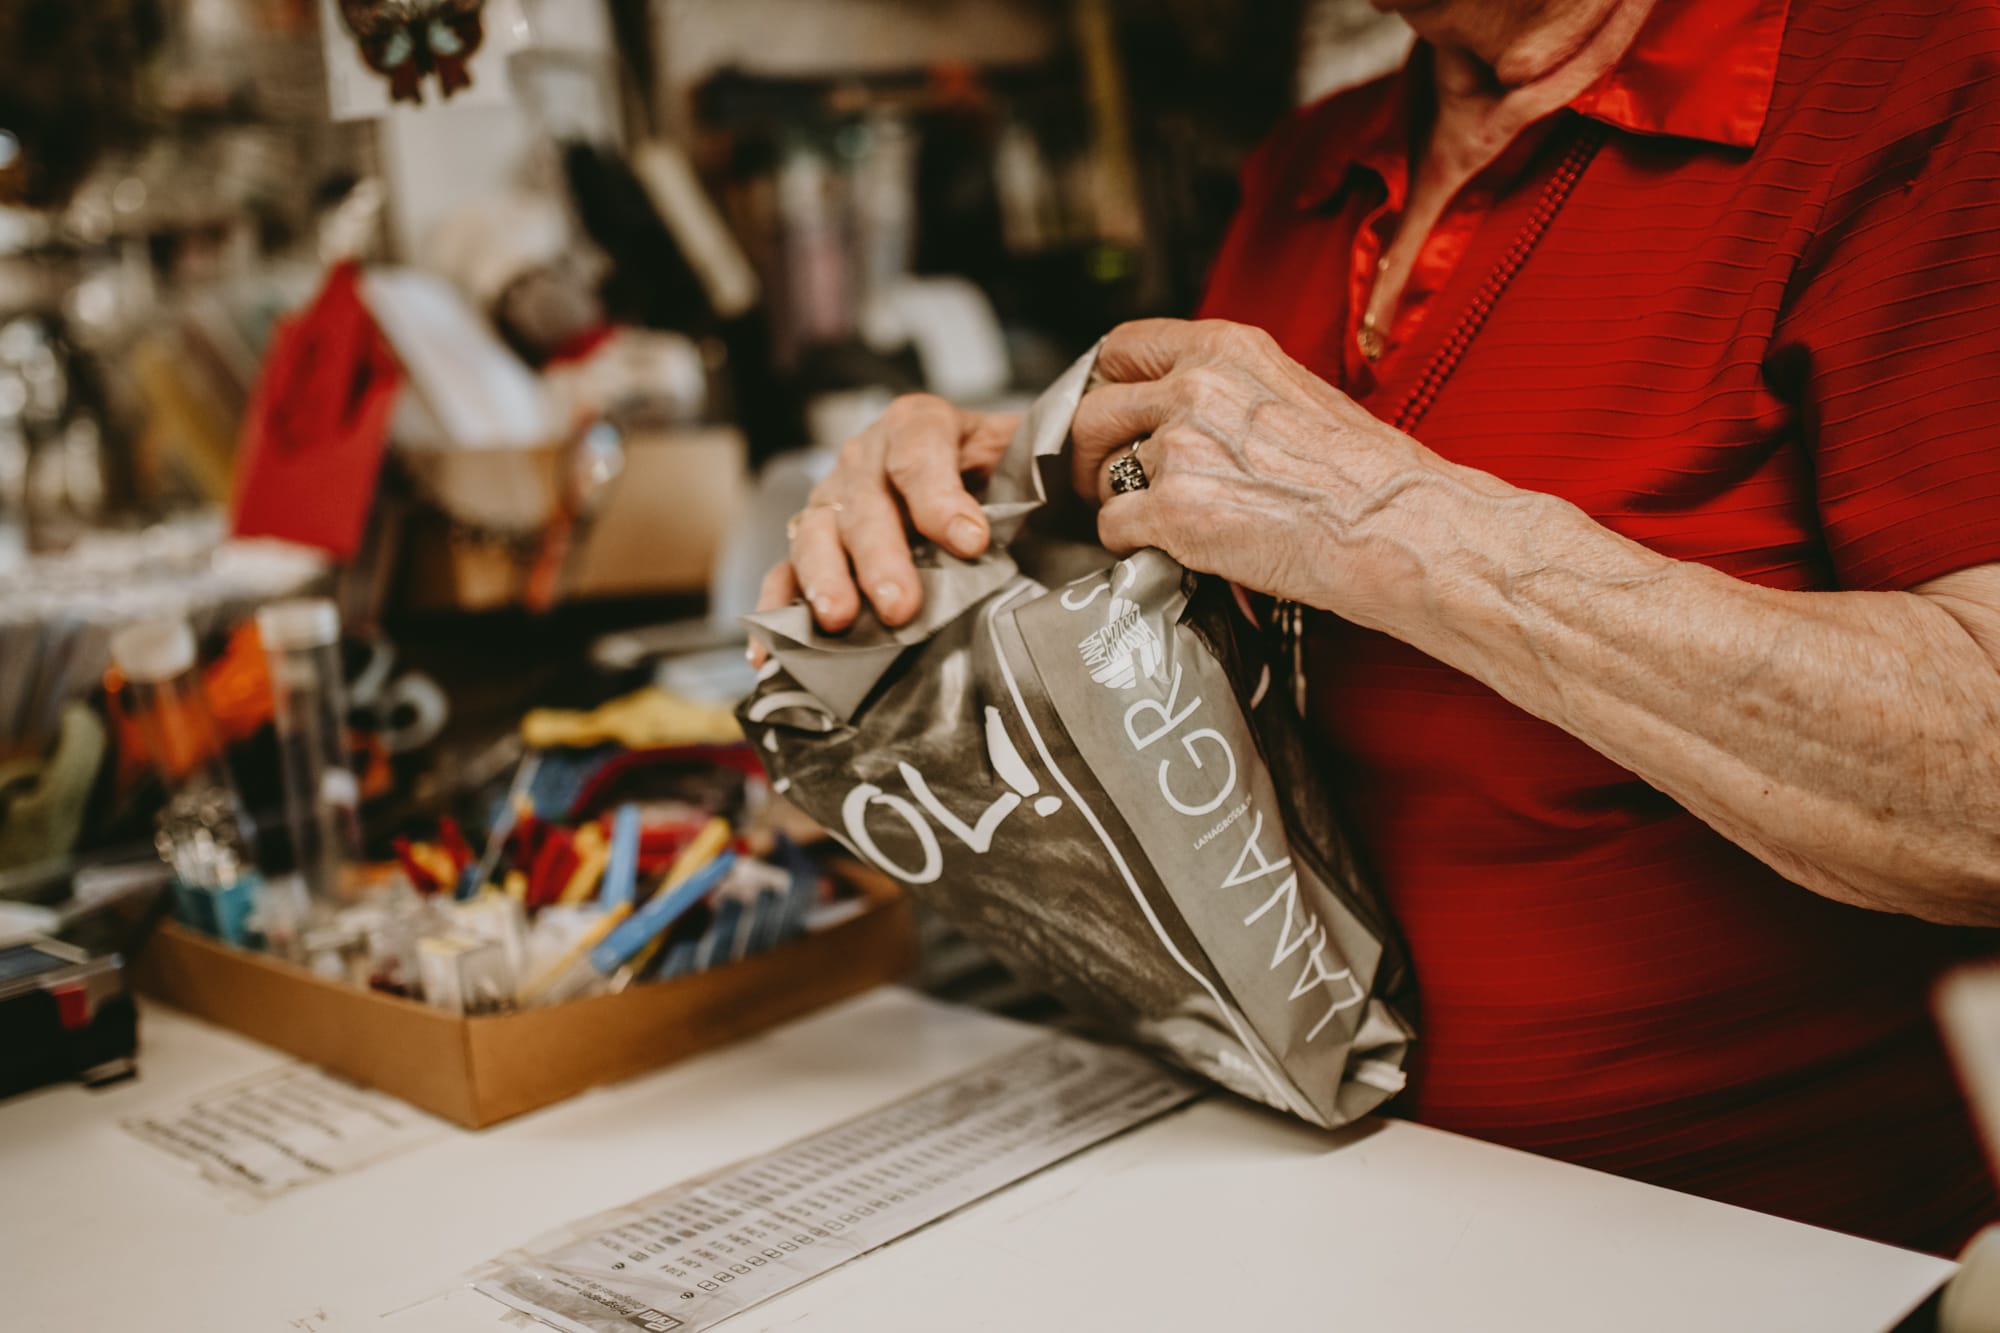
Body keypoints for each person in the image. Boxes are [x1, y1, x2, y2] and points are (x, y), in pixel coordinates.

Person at [757, 0, 2000, 1254]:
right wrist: (983, 502)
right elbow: (1235, 587)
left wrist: (1390, 518)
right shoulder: (1311, 165)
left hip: (1774, 1257)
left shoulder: (1927, 83)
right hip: (1311, 1195)